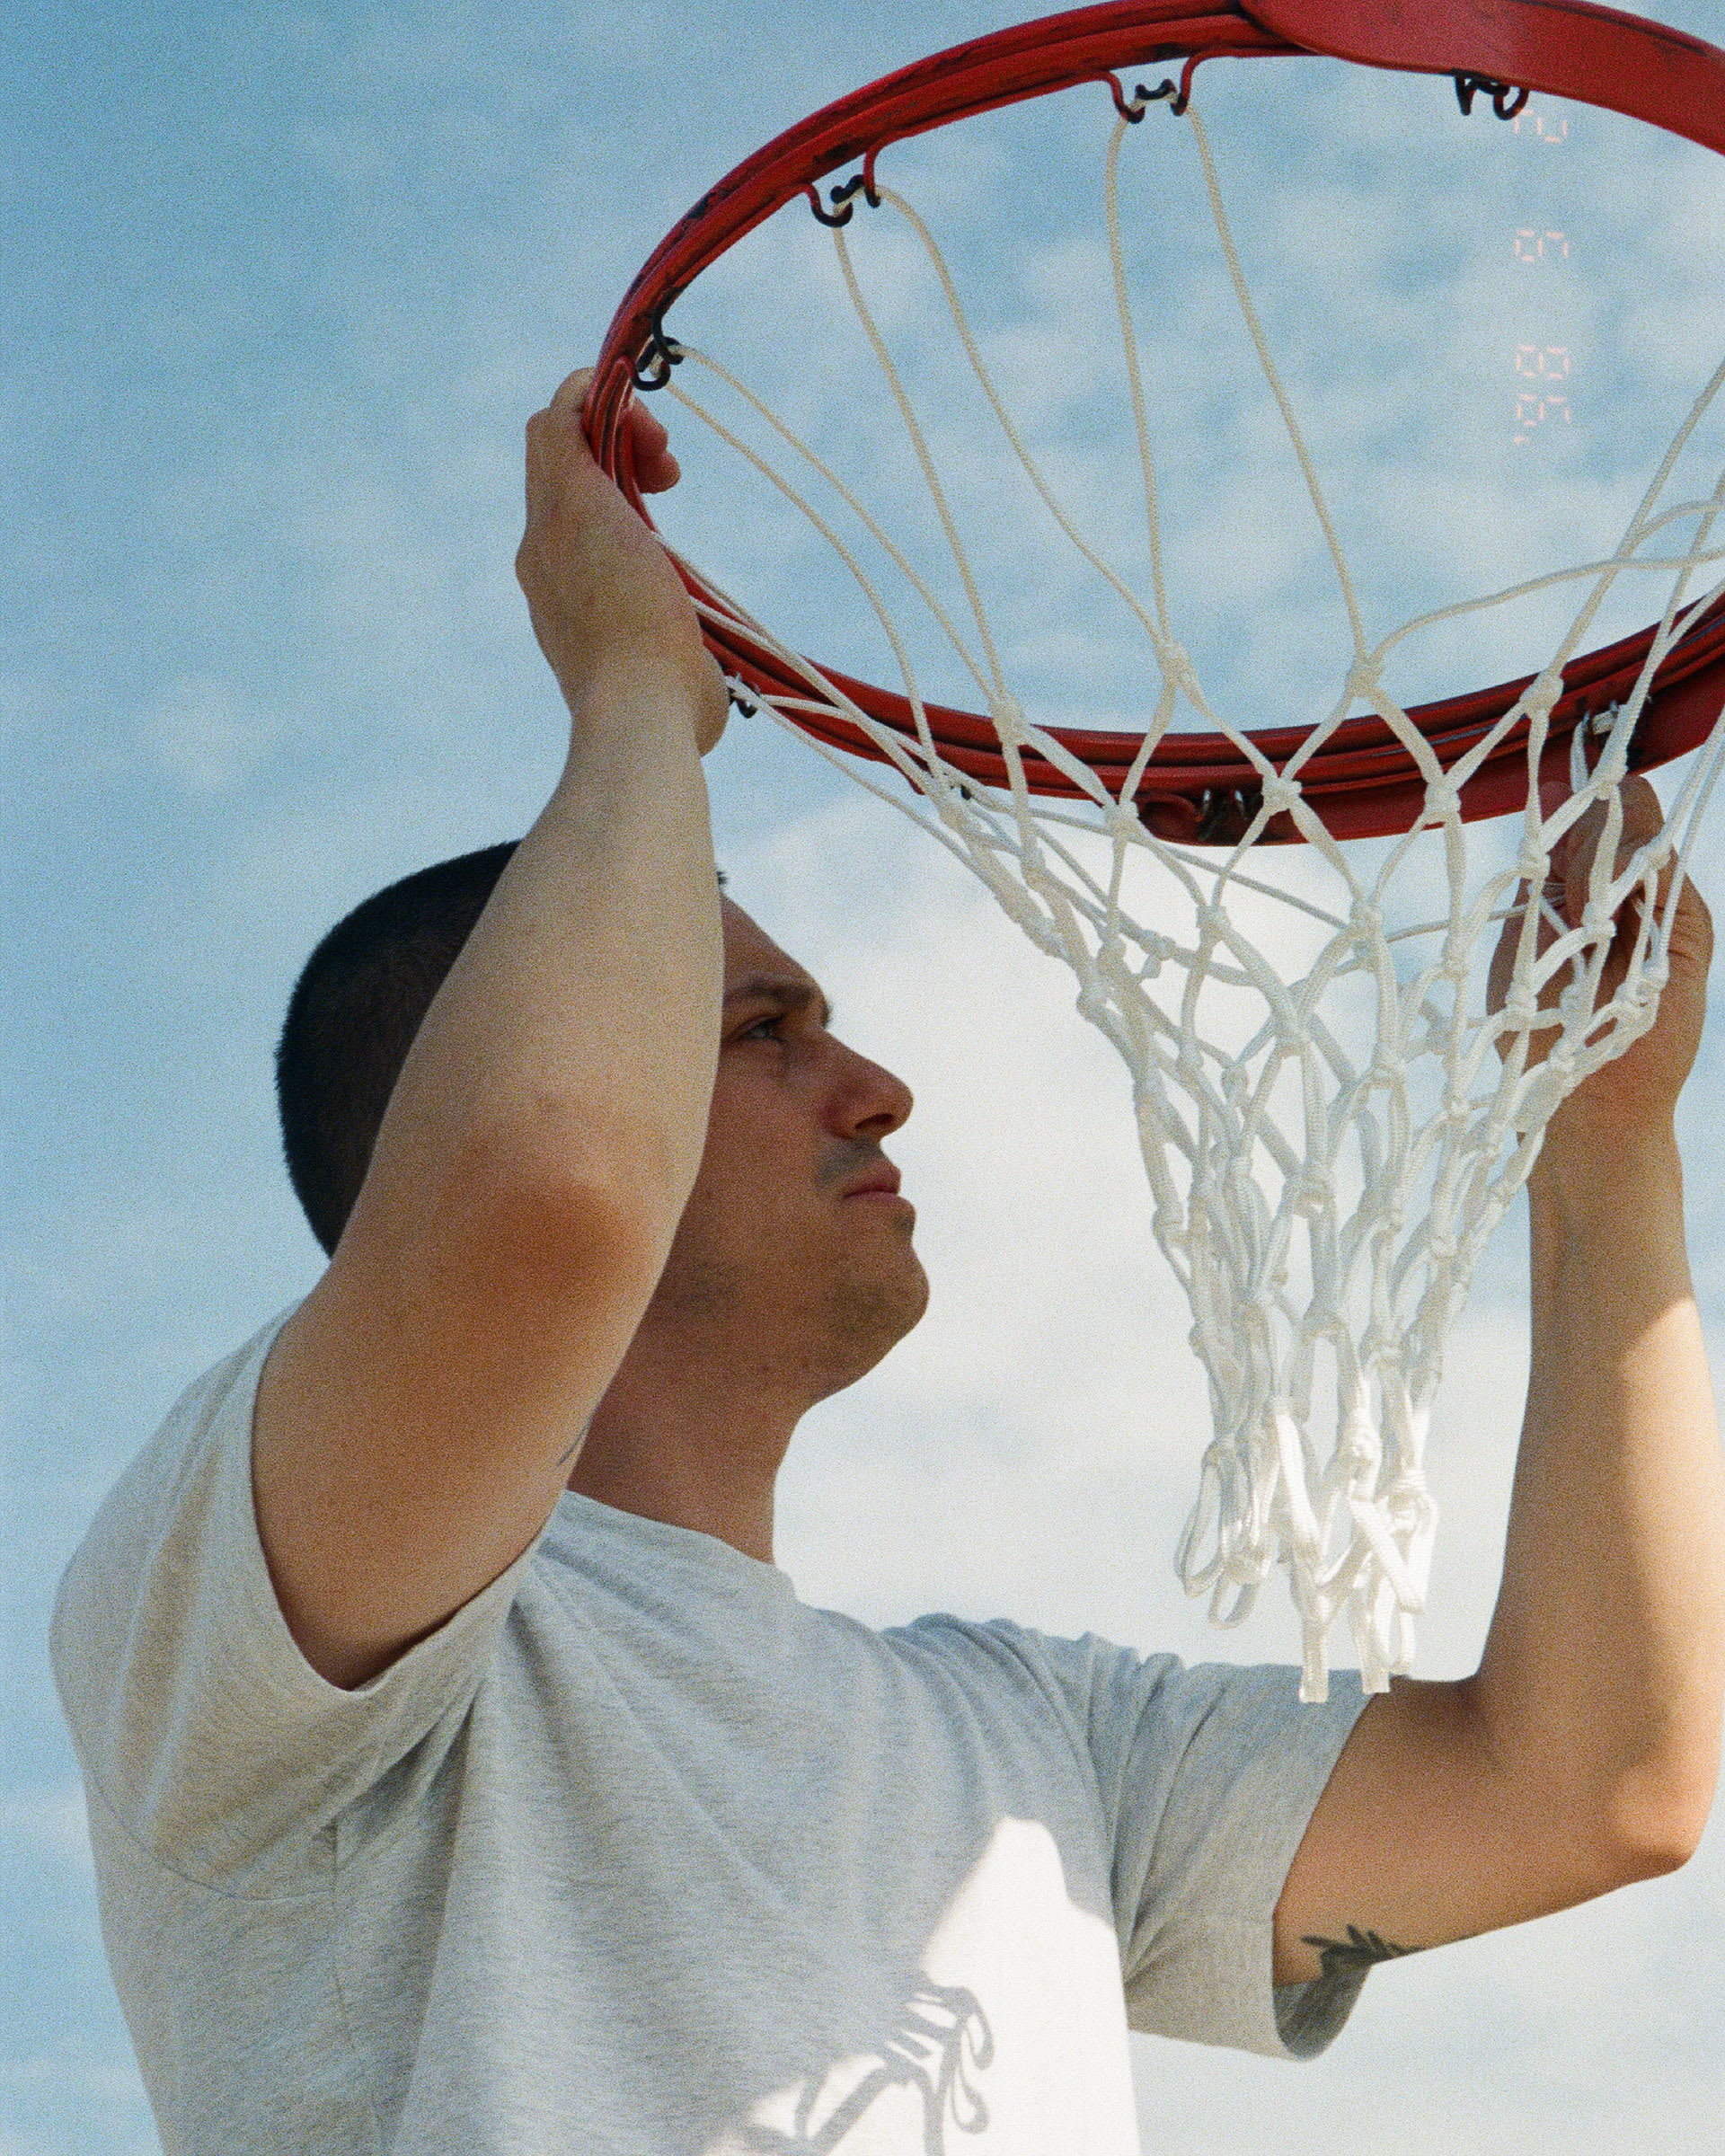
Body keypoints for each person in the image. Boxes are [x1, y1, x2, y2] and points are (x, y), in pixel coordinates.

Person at [51, 367, 1724, 2155]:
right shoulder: (243, 1600)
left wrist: (1602, 1142)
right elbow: (543, 1195)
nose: (876, 1084)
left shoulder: (1031, 1743)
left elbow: (1595, 1782)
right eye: (761, 1029)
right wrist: (632, 702)